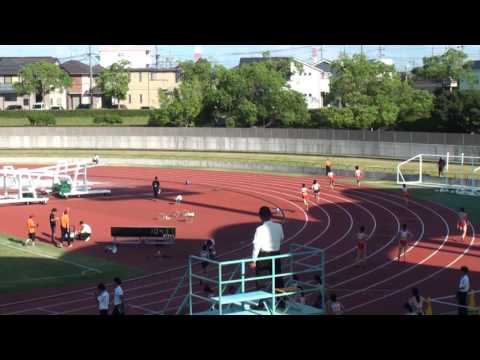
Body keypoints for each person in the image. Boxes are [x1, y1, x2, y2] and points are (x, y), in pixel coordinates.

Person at [249, 206, 285, 294]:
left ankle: (261, 303)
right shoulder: (278, 226)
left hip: (264, 256)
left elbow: (256, 246)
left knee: (260, 278)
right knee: (278, 278)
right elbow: (282, 238)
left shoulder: (259, 229)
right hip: (276, 254)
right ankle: (281, 302)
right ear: (270, 215)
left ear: (260, 216)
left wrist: (253, 261)